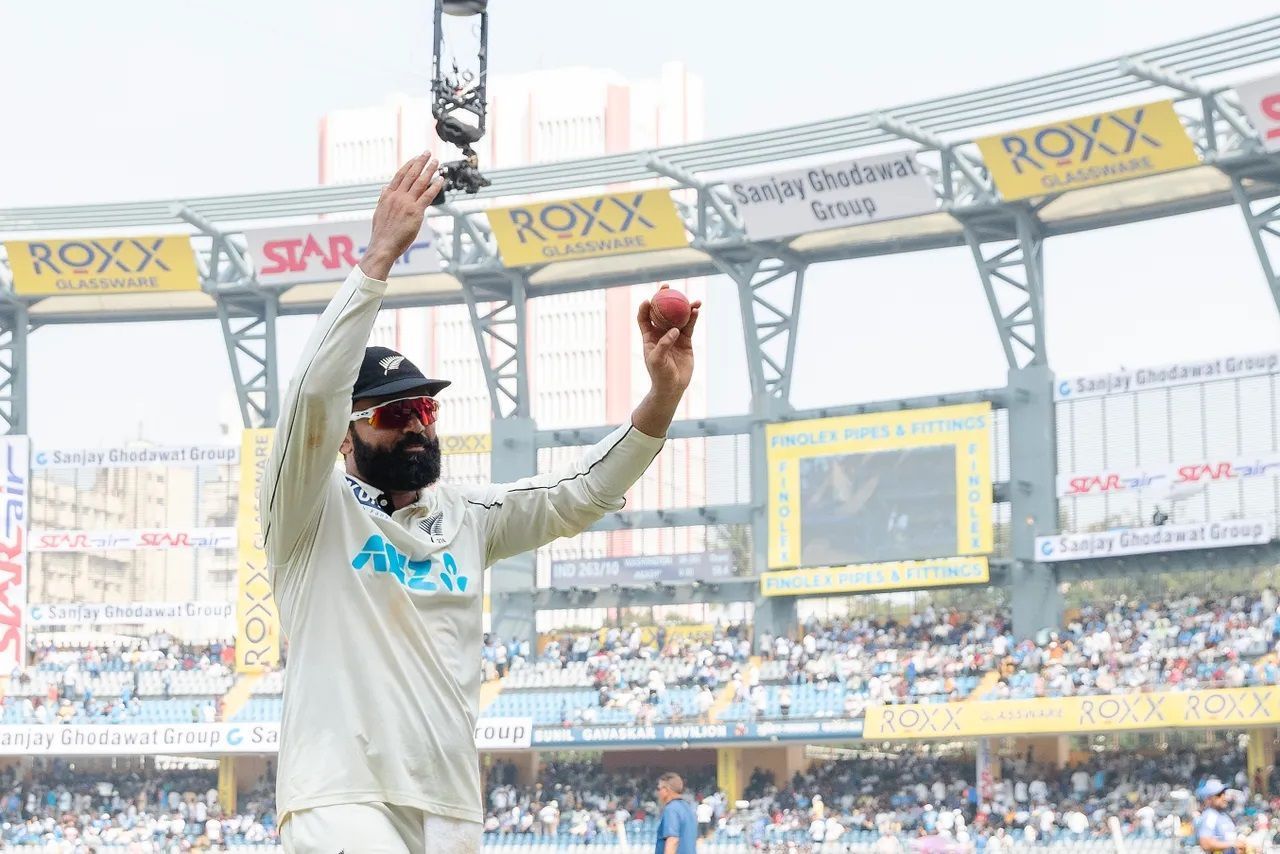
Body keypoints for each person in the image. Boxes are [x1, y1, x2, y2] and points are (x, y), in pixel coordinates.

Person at [260, 151, 701, 854]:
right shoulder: (306, 515)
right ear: (343, 439)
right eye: (391, 412)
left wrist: (664, 396)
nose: (413, 422)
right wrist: (379, 256)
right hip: (341, 796)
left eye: (424, 411)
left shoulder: (465, 516)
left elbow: (581, 493)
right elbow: (313, 397)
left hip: (450, 803)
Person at [1196, 779, 1245, 853]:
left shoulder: (1224, 815)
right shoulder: (1210, 816)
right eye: (1218, 795)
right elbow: (1205, 843)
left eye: (1224, 793)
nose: (1223, 797)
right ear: (1209, 799)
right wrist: (1233, 844)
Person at [655, 773, 698, 854]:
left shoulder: (671, 809)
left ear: (666, 790)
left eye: (659, 788)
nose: (658, 792)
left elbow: (673, 840)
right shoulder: (688, 808)